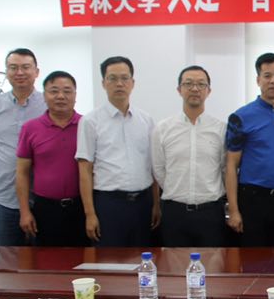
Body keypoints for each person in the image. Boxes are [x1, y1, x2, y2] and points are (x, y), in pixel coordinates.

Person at [76, 56, 159, 247]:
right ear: (103, 83)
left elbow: (152, 166)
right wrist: (90, 214)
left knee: (142, 258)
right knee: (109, 259)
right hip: (109, 204)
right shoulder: (90, 121)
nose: (119, 84)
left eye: (124, 78)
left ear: (133, 83)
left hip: (143, 203)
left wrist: (156, 204)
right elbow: (85, 170)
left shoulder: (146, 120)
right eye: (112, 78)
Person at [0, 48, 46, 246]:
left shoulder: (48, 104)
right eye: (13, 67)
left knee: (45, 259)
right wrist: (2, 167)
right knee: (8, 258)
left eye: (25, 67)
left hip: (42, 200)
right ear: (6, 72)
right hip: (4, 200)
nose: (19, 72)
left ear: (36, 72)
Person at [225, 52, 274, 247]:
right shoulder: (241, 117)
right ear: (258, 80)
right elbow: (231, 165)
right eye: (267, 76)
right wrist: (234, 210)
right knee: (253, 259)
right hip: (253, 199)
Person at [151, 65, 227, 247]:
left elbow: (225, 169)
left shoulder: (221, 129)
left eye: (201, 84)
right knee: (174, 263)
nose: (195, 88)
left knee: (213, 262)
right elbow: (159, 169)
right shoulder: (163, 129)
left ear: (208, 91)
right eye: (188, 84)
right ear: (179, 89)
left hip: (211, 212)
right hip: (174, 212)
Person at [16, 71, 88, 246]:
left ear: (75, 95)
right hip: (45, 208)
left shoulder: (87, 125)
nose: (61, 96)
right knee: (47, 259)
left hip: (81, 207)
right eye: (54, 91)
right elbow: (22, 173)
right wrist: (25, 212)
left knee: (84, 258)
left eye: (67, 91)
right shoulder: (30, 128)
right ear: (44, 95)